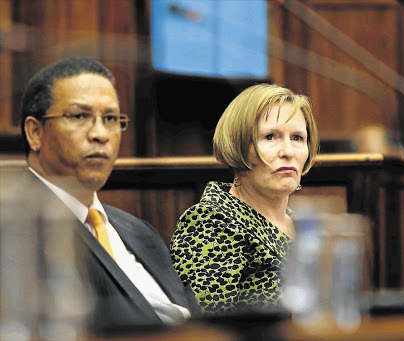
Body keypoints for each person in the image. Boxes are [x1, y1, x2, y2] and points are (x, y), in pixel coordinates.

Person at [16, 56, 199, 334]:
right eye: (79, 116)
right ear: (35, 132)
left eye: (111, 118)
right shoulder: (20, 229)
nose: (101, 134)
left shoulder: (139, 231)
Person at [170, 83, 319, 315]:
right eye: (271, 137)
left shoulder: (302, 224)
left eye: (298, 138)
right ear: (238, 145)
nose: (288, 151)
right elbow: (209, 330)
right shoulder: (210, 222)